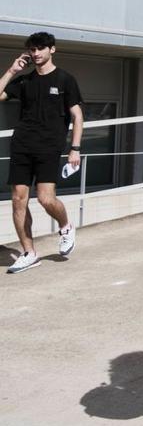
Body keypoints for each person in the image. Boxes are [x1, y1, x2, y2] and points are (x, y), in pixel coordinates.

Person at [1, 32, 83, 274]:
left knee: (46, 199)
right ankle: (29, 253)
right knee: (18, 200)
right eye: (32, 49)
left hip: (49, 147)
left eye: (40, 49)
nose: (36, 53)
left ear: (52, 50)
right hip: (22, 145)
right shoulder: (25, 81)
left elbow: (78, 116)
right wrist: (12, 71)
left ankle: (66, 226)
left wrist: (75, 149)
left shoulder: (66, 80)